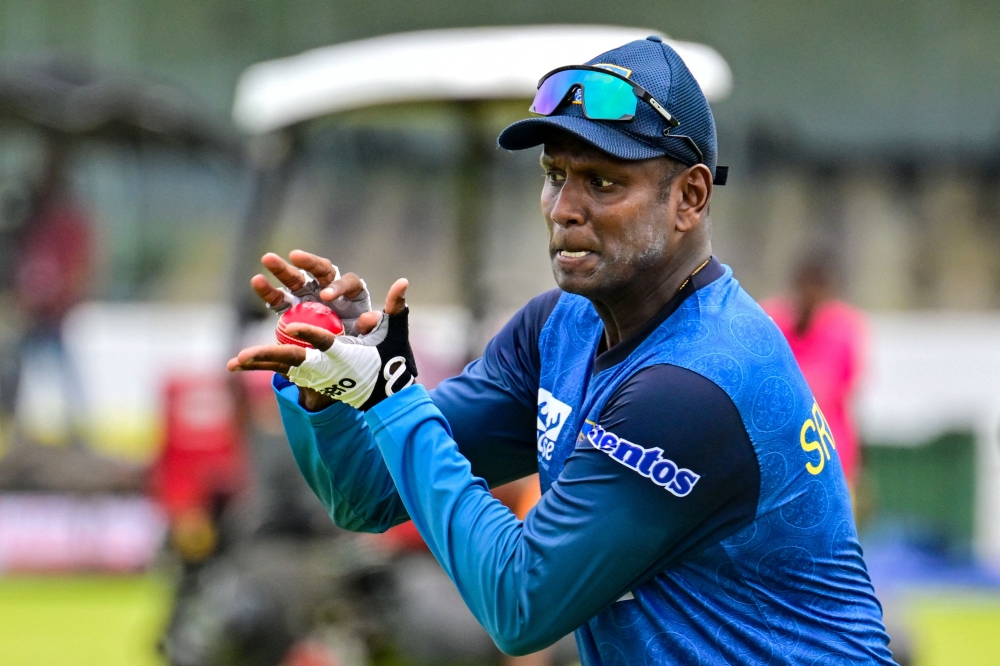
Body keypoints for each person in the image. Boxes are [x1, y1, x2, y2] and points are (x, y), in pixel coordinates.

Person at [231, 38, 896, 664]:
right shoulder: (558, 328)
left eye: (604, 183)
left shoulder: (696, 383)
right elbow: (370, 496)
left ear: (690, 197)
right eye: (555, 174)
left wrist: (393, 393)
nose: (564, 207)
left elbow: (522, 608)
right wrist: (334, 391)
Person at [763, 254, 867, 490]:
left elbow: (844, 391)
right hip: (780, 450)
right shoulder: (771, 320)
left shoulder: (844, 329)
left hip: (830, 453)